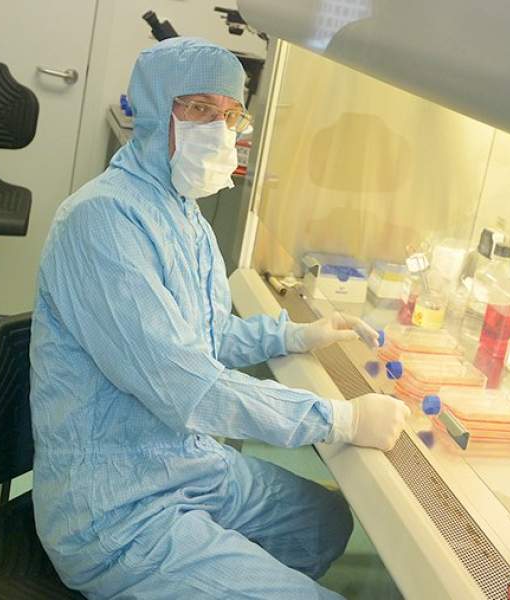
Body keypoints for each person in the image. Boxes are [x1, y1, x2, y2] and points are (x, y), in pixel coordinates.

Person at [29, 37, 410, 599]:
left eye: (230, 115)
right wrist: (340, 420)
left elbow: (208, 336)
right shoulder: (101, 221)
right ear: (155, 111)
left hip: (187, 464)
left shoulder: (185, 217)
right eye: (200, 109)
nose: (219, 130)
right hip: (118, 510)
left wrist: (293, 334)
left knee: (323, 523)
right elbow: (186, 385)